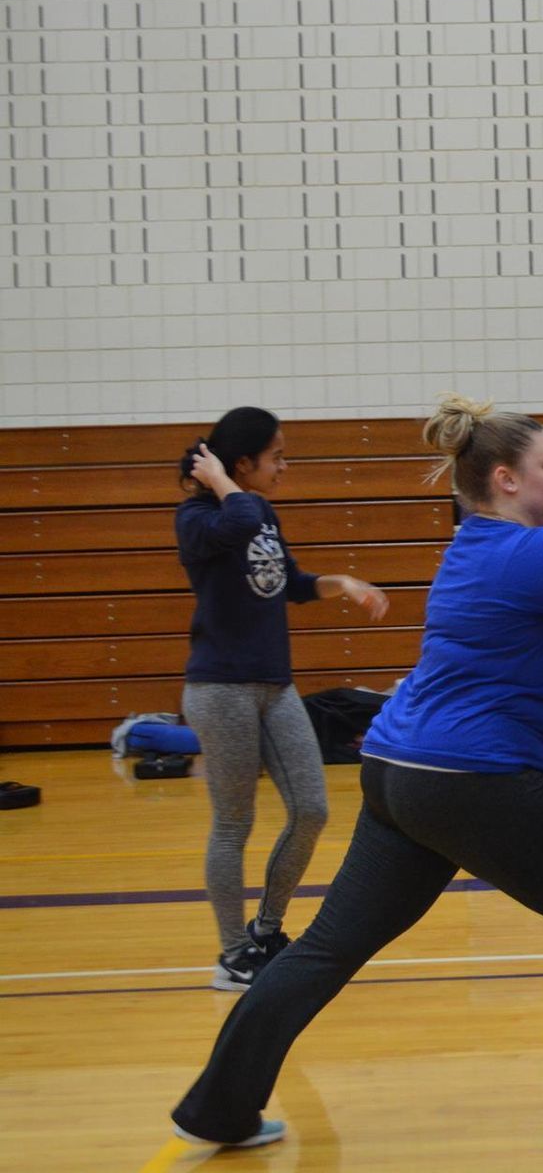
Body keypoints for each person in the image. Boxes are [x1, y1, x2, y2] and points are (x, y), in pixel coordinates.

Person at [169, 395, 543, 1153]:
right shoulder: (532, 552)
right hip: (471, 777)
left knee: (329, 946)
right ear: (504, 477)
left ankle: (218, 1108)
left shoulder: (482, 546)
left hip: (400, 775)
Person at [174, 408, 389, 991]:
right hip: (220, 690)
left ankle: (266, 931)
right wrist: (218, 481)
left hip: (274, 684)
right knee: (234, 822)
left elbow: (288, 582)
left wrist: (339, 582)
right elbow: (237, 519)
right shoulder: (197, 517)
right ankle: (231, 955)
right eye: (277, 458)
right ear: (242, 464)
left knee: (312, 809)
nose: (286, 467)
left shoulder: (257, 508)